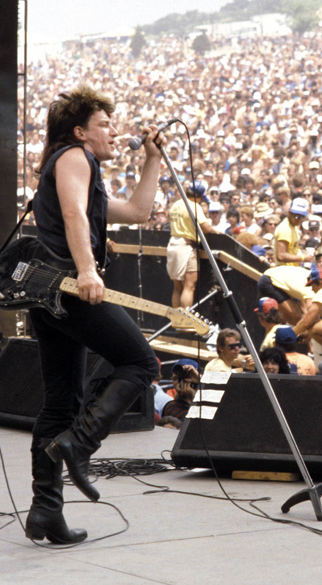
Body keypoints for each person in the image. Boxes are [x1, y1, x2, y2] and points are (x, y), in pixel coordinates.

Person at [24, 86, 162, 545]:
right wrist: (87, 269)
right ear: (81, 130)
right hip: (68, 285)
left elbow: (139, 211)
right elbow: (71, 214)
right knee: (142, 362)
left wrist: (153, 160)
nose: (114, 130)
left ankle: (46, 511)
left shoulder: (83, 169)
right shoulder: (74, 157)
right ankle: (79, 445)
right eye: (105, 123)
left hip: (49, 294)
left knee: (60, 400)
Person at [167, 179, 215, 308]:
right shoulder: (194, 206)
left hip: (173, 243)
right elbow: (206, 228)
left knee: (177, 287)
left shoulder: (176, 204)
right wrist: (217, 231)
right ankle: (186, 321)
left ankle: (178, 321)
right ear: (199, 197)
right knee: (189, 286)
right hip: (186, 246)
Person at [274, 197, 311, 266]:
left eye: (302, 217)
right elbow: (280, 255)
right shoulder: (285, 229)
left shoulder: (294, 227)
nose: (299, 219)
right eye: (296, 216)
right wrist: (302, 258)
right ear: (289, 212)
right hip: (284, 270)